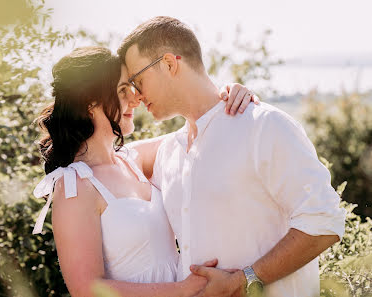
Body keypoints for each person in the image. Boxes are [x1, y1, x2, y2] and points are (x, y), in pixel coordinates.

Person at [118, 16, 346, 297]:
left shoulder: (264, 126)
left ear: (169, 64)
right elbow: (107, 158)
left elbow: (324, 221)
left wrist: (245, 279)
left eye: (138, 81)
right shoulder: (169, 153)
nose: (137, 96)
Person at [32, 46, 258, 297]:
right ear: (89, 102)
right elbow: (86, 289)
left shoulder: (133, 160)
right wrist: (182, 291)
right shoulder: (74, 185)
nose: (135, 98)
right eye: (122, 90)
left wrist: (228, 94)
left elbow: (199, 128)